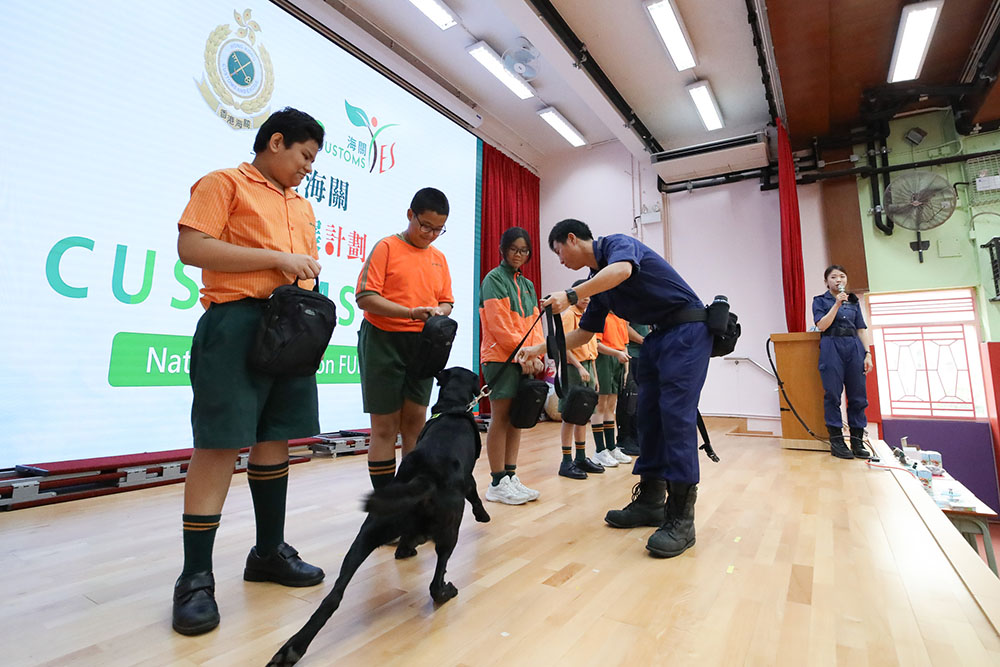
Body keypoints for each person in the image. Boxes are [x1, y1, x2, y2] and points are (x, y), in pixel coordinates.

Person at [172, 108, 327, 636]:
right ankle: (195, 578)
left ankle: (267, 553)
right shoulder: (224, 183)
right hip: (235, 323)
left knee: (275, 439)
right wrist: (277, 258)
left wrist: (302, 272)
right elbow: (191, 247)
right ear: (276, 141)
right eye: (305, 156)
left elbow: (296, 262)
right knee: (218, 444)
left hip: (290, 327)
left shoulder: (303, 207)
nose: (308, 168)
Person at [517, 219, 711, 559]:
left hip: (687, 330)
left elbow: (621, 271)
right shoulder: (599, 287)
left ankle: (682, 519)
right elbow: (583, 334)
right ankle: (652, 501)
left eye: (558, 250)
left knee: (676, 422)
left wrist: (573, 294)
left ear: (572, 239)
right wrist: (541, 348)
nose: (559, 259)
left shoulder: (617, 246)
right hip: (657, 338)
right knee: (647, 422)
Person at [355, 188, 454, 490]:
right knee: (384, 427)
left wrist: (439, 311)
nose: (431, 234)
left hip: (423, 346)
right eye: (425, 226)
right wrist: (410, 312)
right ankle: (385, 506)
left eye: (439, 229)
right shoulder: (387, 247)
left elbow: (447, 301)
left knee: (415, 423)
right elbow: (365, 297)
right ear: (410, 215)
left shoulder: (439, 258)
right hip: (383, 340)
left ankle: (410, 499)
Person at [479, 227, 545, 504]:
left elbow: (535, 323)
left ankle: (510, 475)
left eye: (524, 251)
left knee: (516, 420)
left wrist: (537, 354)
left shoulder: (527, 284)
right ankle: (496, 481)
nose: (519, 255)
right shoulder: (493, 279)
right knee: (501, 418)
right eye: (514, 249)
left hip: (524, 358)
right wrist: (524, 355)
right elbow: (499, 324)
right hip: (500, 359)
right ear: (503, 250)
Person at [812, 265, 873, 459]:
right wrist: (836, 304)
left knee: (858, 395)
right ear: (826, 282)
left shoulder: (854, 301)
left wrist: (868, 353)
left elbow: (861, 329)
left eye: (842, 276)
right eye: (833, 277)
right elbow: (821, 325)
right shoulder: (820, 301)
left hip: (853, 346)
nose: (838, 280)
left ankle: (857, 441)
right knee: (832, 394)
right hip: (831, 345)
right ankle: (837, 442)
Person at [554, 278, 606, 480]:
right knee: (570, 415)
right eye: (582, 295)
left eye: (590, 296)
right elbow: (563, 345)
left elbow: (591, 348)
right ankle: (566, 460)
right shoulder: (569, 316)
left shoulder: (587, 318)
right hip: (573, 369)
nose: (586, 298)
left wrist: (593, 374)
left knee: (583, 415)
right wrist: (578, 367)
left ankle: (581, 457)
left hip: (587, 367)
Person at [591, 312, 632, 468]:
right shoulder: (602, 317)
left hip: (619, 361)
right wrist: (616, 353)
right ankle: (599, 450)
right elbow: (597, 344)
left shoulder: (621, 318)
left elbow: (625, 345)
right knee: (600, 405)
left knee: (611, 406)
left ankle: (611, 447)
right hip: (605, 359)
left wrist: (627, 368)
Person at [616, 322, 648, 456]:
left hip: (643, 355)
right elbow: (623, 326)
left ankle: (636, 437)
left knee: (640, 400)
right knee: (629, 398)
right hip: (630, 355)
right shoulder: (630, 302)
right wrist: (644, 341)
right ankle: (624, 439)